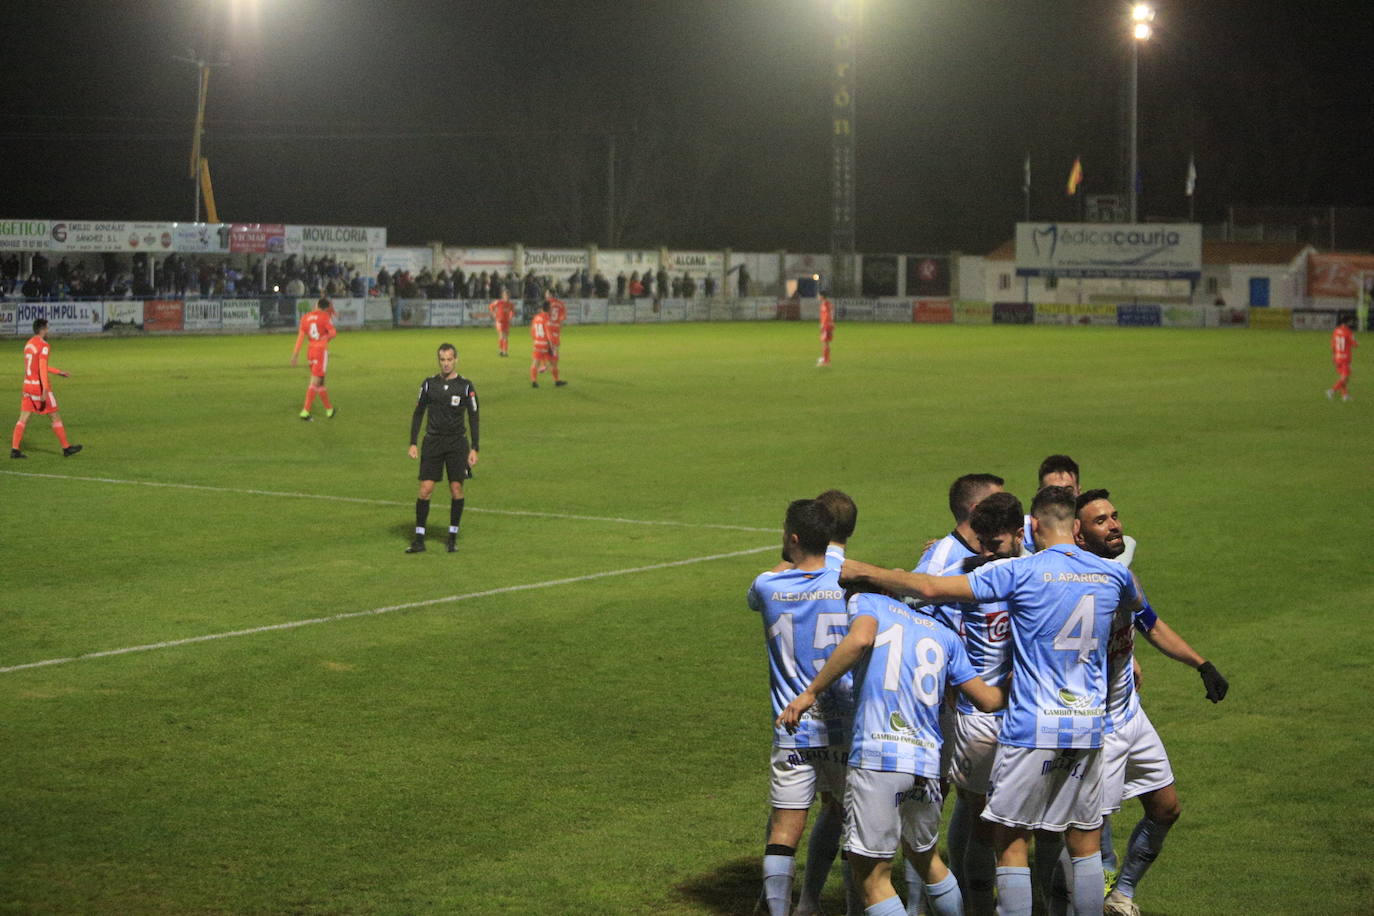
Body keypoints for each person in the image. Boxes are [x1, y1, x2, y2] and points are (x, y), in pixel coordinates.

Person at [841, 486, 1143, 916]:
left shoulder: (1020, 573)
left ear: (1032, 526)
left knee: (1010, 839)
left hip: (1031, 722)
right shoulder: (1114, 575)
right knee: (1084, 838)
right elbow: (1134, 605)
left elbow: (928, 587)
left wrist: (866, 571)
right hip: (1091, 725)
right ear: (1076, 526)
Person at [778, 592, 1007, 916]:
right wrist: (1018, 684)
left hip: (878, 758)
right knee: (927, 859)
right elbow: (987, 700)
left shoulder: (866, 603)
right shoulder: (942, 634)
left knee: (871, 875)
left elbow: (859, 640)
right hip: (926, 763)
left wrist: (810, 693)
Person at [1074, 489, 1228, 916]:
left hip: (1129, 714)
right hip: (1094, 727)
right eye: (1101, 521)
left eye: (1115, 516)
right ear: (1080, 535)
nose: (1115, 525)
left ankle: (1121, 893)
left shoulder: (1123, 578)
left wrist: (1202, 664)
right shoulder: (1073, 588)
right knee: (1093, 840)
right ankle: (1090, 902)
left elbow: (1152, 627)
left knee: (1166, 807)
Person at [749, 499, 854, 916]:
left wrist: (793, 556)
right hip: (846, 726)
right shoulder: (851, 580)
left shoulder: (767, 586)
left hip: (793, 727)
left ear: (792, 538)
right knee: (854, 828)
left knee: (784, 829)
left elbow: (770, 580)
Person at [904, 472, 1003, 909]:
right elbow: (908, 612)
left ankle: (960, 890)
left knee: (973, 801)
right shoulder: (941, 560)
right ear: (978, 513)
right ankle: (916, 906)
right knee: (928, 808)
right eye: (1001, 504)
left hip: (980, 705)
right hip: (944, 705)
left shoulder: (994, 551)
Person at [945, 491, 1026, 916]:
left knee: (1026, 829)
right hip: (979, 717)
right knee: (979, 818)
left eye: (993, 545)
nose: (985, 553)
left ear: (1018, 534)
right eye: (980, 544)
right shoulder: (969, 578)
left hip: (1029, 718)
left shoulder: (1037, 573)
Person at [406, 344, 479, 554]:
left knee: (456, 489)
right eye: (442, 359)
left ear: (456, 360)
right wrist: (413, 442)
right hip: (433, 442)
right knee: (425, 489)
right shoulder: (429, 384)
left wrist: (475, 447)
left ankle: (452, 537)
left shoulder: (465, 386)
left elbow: (474, 417)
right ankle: (419, 538)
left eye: (449, 359)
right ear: (439, 361)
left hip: (457, 444)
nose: (446, 363)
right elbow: (418, 412)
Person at [12, 318, 81, 459]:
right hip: (39, 387)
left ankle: (15, 450)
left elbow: (35, 366)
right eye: (47, 328)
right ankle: (66, 448)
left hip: (27, 385)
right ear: (42, 329)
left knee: (23, 417)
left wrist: (58, 371)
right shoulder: (44, 345)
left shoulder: (28, 344)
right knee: (55, 415)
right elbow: (42, 368)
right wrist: (44, 389)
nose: (48, 331)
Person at [290, 297, 337, 421]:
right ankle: (305, 411)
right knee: (315, 381)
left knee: (320, 381)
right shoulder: (325, 317)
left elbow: (300, 337)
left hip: (310, 351)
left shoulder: (305, 317)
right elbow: (333, 332)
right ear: (326, 308)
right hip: (320, 351)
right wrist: (325, 338)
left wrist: (295, 354)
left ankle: (329, 410)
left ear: (316, 305)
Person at [529, 302, 565, 388]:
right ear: (549, 309)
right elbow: (549, 333)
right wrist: (552, 345)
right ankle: (557, 381)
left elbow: (532, 331)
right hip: (546, 345)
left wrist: (536, 340)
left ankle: (534, 381)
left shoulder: (536, 317)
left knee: (535, 363)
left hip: (537, 344)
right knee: (553, 363)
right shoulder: (546, 318)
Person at [1328, 315, 1357, 401]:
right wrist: (1356, 341)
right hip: (1345, 358)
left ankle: (1345, 395)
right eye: (1351, 321)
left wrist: (1333, 355)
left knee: (1343, 377)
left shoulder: (1336, 331)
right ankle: (1331, 390)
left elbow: (1333, 345)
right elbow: (1355, 344)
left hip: (1337, 357)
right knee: (1345, 377)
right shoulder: (1348, 332)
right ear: (1347, 322)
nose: (1352, 323)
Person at [488, 288, 516, 357]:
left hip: (506, 322)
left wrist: (511, 316)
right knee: (503, 336)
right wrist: (494, 313)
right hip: (499, 321)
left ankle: (502, 351)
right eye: (506, 295)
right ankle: (503, 351)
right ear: (503, 296)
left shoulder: (510, 304)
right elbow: (491, 306)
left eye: (508, 295)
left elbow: (512, 311)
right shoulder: (499, 302)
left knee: (504, 337)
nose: (507, 296)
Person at [818, 296, 835, 366]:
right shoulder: (829, 304)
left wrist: (823, 324)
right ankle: (826, 358)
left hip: (826, 326)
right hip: (829, 325)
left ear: (822, 296)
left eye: (819, 295)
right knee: (826, 342)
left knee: (825, 342)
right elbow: (831, 314)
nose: (818, 297)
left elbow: (827, 315)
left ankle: (825, 361)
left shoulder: (824, 304)